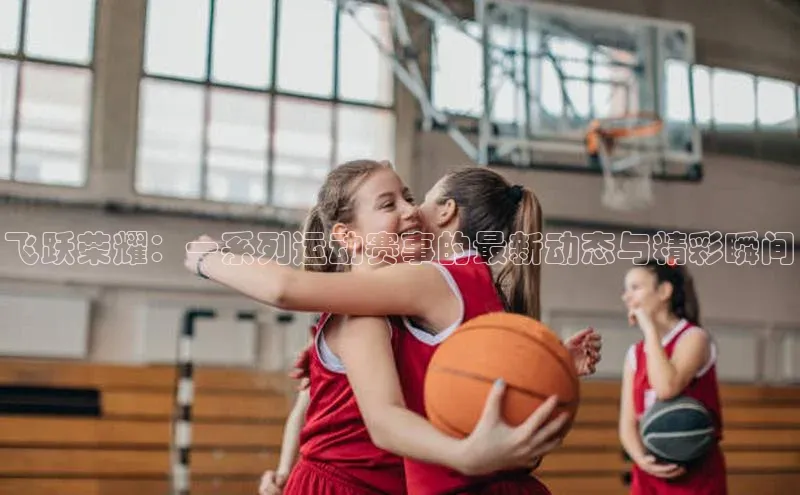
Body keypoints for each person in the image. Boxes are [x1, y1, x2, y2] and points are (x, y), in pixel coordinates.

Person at [186, 163, 601, 494]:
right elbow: (310, 397)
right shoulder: (379, 312)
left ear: (447, 212)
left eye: (412, 198)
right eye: (390, 204)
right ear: (348, 235)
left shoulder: (425, 290)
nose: (410, 211)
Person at [620, 258, 727, 495]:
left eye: (635, 288)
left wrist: (649, 330)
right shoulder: (634, 354)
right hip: (648, 476)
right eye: (625, 289)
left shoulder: (694, 338)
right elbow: (627, 423)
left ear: (664, 291)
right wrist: (642, 459)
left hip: (696, 477)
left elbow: (666, 388)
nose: (626, 297)